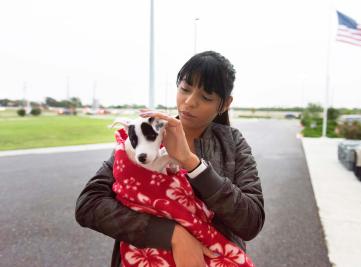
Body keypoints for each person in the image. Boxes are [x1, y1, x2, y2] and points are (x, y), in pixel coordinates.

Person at [75, 50, 265, 267]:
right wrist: (173, 236)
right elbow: (89, 204)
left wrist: (192, 164)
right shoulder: (148, 134)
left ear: (224, 104)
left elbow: (251, 222)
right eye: (184, 89)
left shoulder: (233, 144)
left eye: (206, 97)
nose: (190, 102)